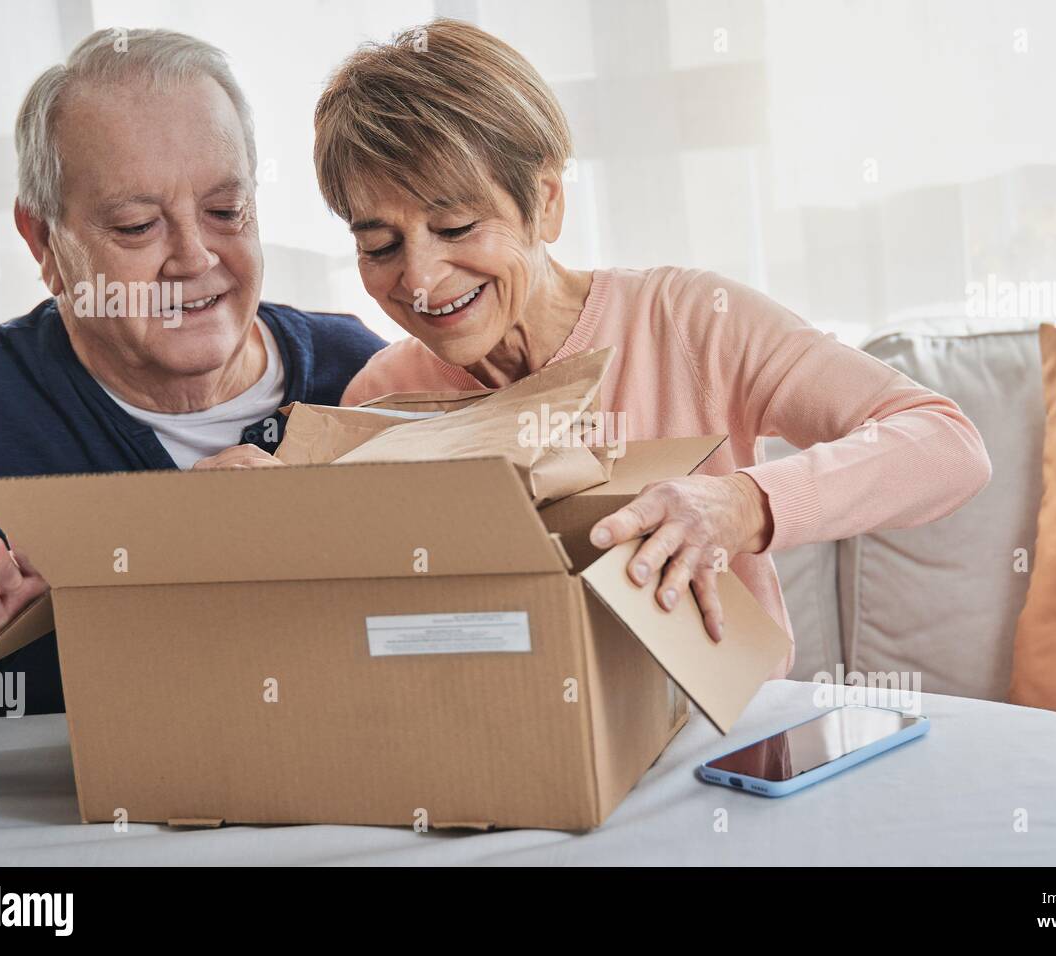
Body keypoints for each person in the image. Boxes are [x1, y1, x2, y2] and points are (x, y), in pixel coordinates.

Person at [311, 19, 991, 676]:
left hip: (725, 744)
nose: (421, 280)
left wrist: (742, 505)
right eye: (381, 245)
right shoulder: (383, 398)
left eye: (456, 225)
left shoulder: (692, 321)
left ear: (546, 203)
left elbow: (945, 444)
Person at [0, 29, 383, 734]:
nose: (195, 258)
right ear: (42, 242)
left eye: (226, 211)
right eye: (138, 226)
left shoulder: (359, 372)